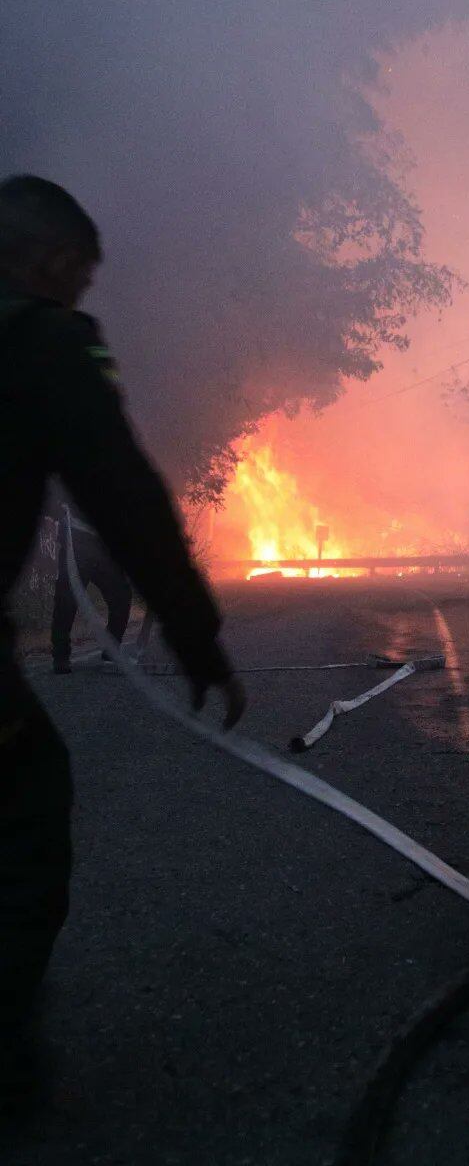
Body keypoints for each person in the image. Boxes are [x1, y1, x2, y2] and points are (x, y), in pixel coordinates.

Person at [0, 175, 245, 1108]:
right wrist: (197, 640)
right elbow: (125, 499)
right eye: (80, 280)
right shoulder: (44, 338)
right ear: (54, 262)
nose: (80, 300)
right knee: (24, 807)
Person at [50, 501, 134, 672]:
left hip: (104, 549)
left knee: (121, 597)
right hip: (76, 541)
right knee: (66, 600)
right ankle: (60, 657)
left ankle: (111, 653)